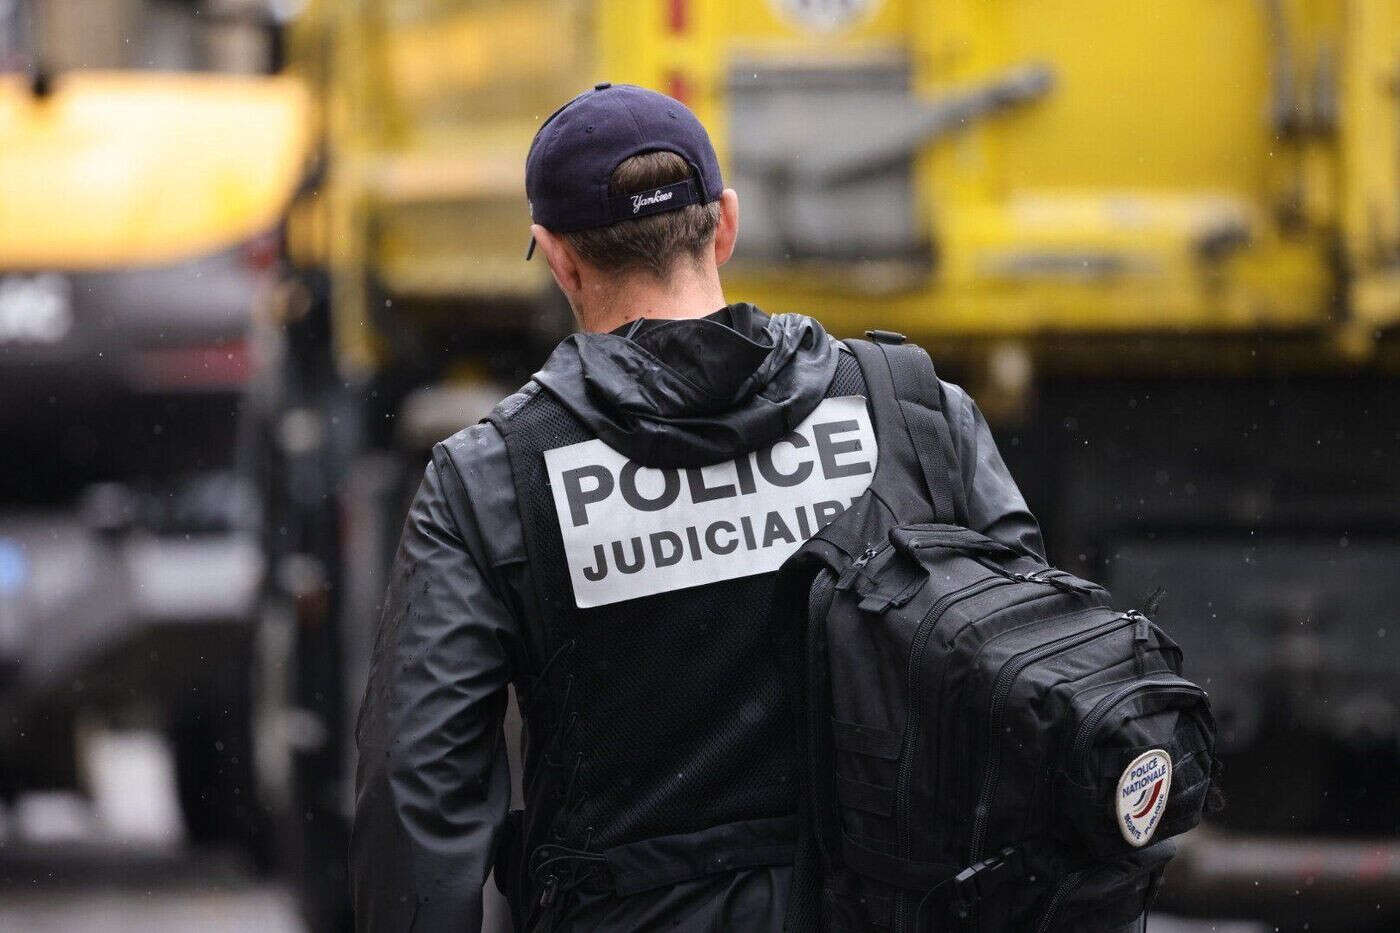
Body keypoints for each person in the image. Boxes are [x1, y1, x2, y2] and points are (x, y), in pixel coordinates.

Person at [351, 83, 1043, 932]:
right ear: (726, 225)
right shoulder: (911, 411)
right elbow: (1033, 690)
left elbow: (415, 786)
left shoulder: (495, 476)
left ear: (559, 258)